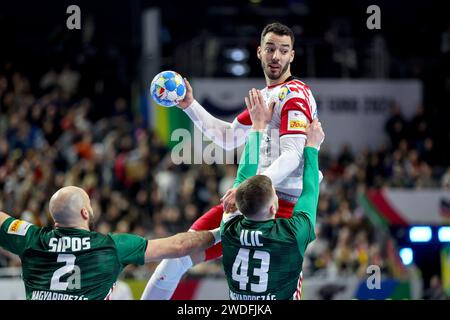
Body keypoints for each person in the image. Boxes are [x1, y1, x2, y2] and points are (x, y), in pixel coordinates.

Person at [142, 22, 320, 300]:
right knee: (175, 260)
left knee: (275, 292)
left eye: (283, 51)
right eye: (270, 49)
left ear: (292, 56)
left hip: (280, 207)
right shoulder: (264, 96)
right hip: (248, 199)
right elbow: (228, 137)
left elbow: (292, 156)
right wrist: (189, 105)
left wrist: (247, 189)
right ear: (259, 52)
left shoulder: (294, 96)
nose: (276, 56)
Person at [0, 186, 219, 300]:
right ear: (85, 212)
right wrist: (220, 232)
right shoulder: (111, 246)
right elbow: (179, 246)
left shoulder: (30, 239)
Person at [220, 95, 324, 300]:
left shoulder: (230, 226)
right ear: (272, 209)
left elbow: (243, 178)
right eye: (275, 194)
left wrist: (258, 124)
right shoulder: (290, 234)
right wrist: (312, 147)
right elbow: (310, 191)